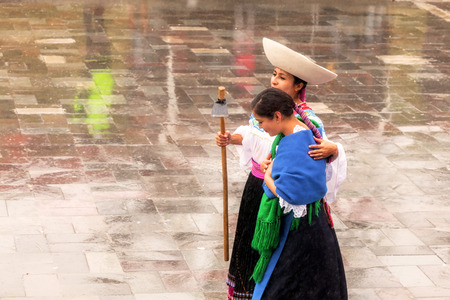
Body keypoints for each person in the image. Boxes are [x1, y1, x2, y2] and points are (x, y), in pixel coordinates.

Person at [219, 38, 347, 300]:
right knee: (252, 247)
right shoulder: (265, 104)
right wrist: (232, 139)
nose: (275, 80)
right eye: (274, 75)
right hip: (259, 189)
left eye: (282, 77)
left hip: (285, 197)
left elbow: (314, 160)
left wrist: (333, 150)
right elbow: (255, 134)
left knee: (282, 260)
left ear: (299, 85)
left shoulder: (308, 122)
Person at [250, 88, 347, 299]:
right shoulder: (303, 131)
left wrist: (267, 177)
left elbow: (290, 194)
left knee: (283, 285)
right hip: (315, 222)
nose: (259, 126)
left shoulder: (294, 143)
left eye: (261, 121)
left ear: (277, 116)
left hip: (299, 230)